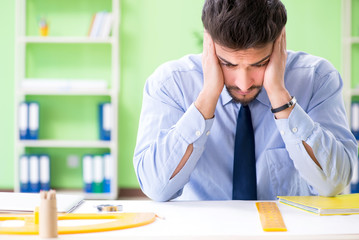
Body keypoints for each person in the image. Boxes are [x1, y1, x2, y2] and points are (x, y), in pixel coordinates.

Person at [133, 0, 358, 201]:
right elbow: (156, 188)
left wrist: (280, 96)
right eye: (228, 64)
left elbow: (333, 183)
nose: (243, 84)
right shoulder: (170, 84)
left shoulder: (316, 79)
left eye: (259, 64)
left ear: (279, 43)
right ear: (209, 43)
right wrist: (207, 97)